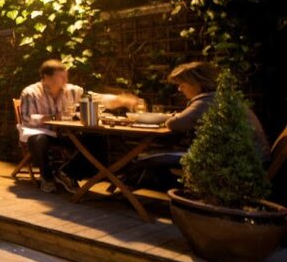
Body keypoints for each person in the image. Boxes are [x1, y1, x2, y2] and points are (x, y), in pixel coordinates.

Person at [20, 59, 139, 193]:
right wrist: (54, 117)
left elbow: (96, 98)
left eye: (66, 77)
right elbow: (27, 118)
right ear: (46, 77)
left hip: (67, 134)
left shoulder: (72, 91)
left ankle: (67, 173)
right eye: (61, 77)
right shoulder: (31, 92)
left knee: (97, 140)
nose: (65, 81)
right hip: (43, 133)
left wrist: (121, 100)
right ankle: (47, 178)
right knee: (39, 140)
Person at [136, 62, 269, 180]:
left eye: (182, 84)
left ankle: (171, 194)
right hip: (254, 159)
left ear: (197, 84)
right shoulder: (222, 97)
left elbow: (175, 124)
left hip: (239, 165)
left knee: (147, 158)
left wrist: (169, 117)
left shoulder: (206, 101)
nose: (179, 89)